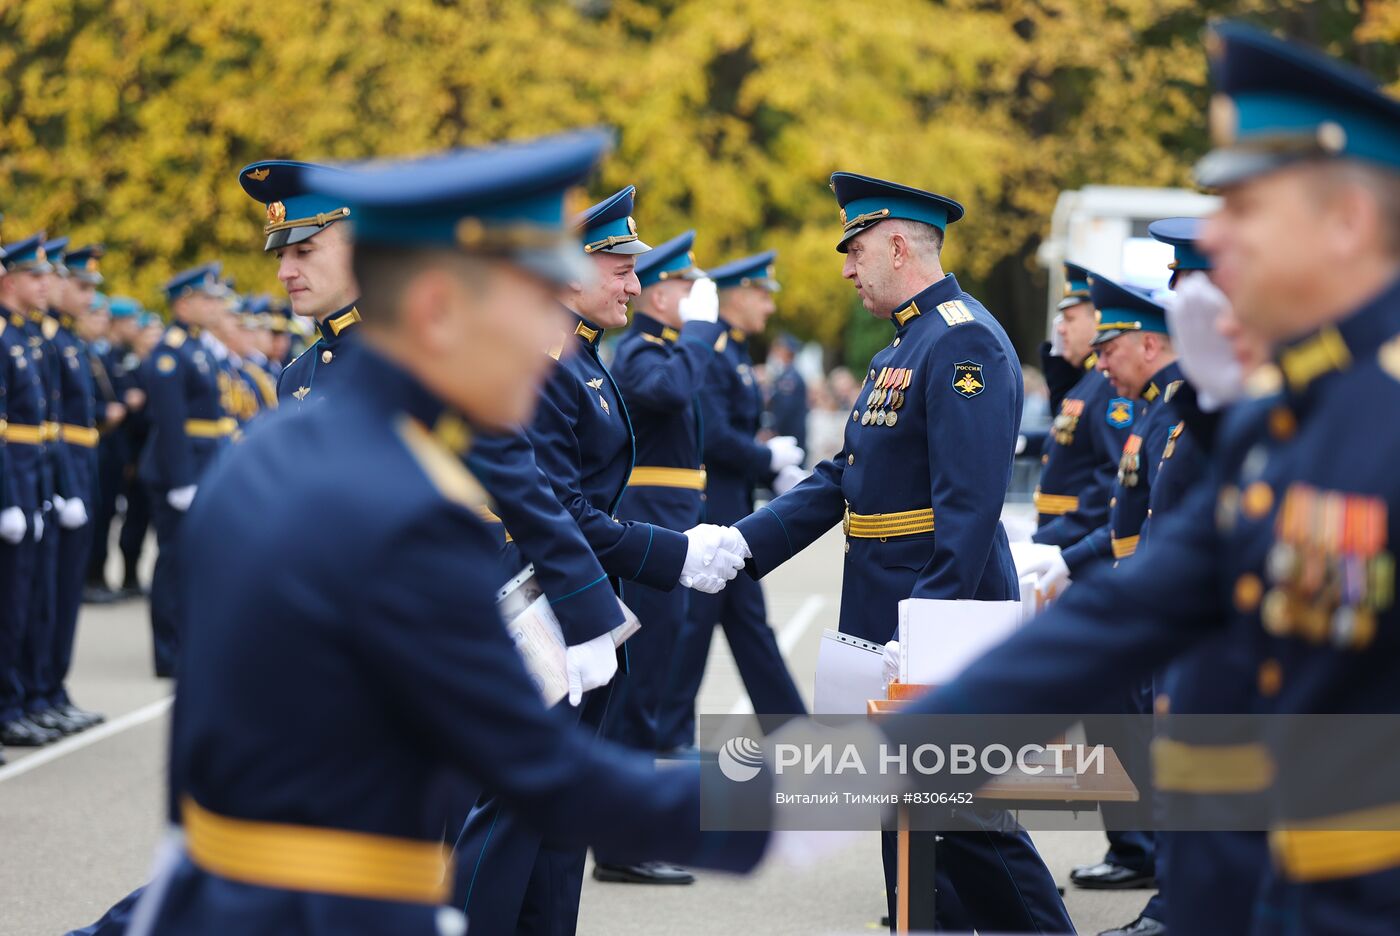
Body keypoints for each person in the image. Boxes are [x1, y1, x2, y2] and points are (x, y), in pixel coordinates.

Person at [132, 128, 773, 936]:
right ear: (440, 309)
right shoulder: (407, 517)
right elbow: (547, 772)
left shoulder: (263, 459)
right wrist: (830, 783)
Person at [881, 21, 1400, 933]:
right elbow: (1140, 607)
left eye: (1244, 210)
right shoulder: (1283, 409)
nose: (1218, 242)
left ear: (1346, 221)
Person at [725, 173, 1072, 932]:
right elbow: (845, 477)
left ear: (892, 244)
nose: (847, 268)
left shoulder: (961, 338)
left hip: (937, 620)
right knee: (912, 832)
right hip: (889, 613)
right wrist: (738, 545)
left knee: (969, 827)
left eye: (853, 251)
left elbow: (971, 506)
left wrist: (927, 632)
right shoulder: (909, 343)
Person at [454, 186, 747, 933]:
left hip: (571, 603)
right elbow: (562, 512)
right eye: (619, 267)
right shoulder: (545, 362)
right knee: (514, 818)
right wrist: (673, 555)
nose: (635, 284)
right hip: (536, 604)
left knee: (557, 824)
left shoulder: (577, 354)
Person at [594, 229, 727, 885]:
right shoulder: (642, 351)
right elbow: (670, 394)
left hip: (668, 526)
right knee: (638, 691)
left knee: (648, 686)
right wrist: (701, 334)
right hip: (646, 531)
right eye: (682, 287)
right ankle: (623, 842)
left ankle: (629, 833)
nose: (678, 295)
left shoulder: (660, 349)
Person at [656, 250, 809, 757]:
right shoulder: (715, 348)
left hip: (733, 507)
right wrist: (765, 458)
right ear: (739, 294)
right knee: (694, 628)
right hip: (709, 510)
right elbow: (714, 437)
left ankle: (795, 736)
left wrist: (768, 461)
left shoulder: (736, 349)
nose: (768, 307)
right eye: (762, 295)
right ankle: (669, 733)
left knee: (747, 629)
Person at [139, 262, 233, 677]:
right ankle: (168, 652)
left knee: (194, 561)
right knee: (174, 562)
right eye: (207, 298)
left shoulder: (197, 347)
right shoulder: (169, 353)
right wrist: (182, 480)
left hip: (203, 466)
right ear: (184, 302)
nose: (215, 306)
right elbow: (171, 422)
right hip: (179, 472)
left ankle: (188, 643)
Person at [34, 242, 105, 732]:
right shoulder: (45, 340)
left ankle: (49, 689)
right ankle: (28, 695)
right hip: (47, 475)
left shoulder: (67, 341)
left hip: (74, 470)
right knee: (35, 598)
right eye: (77, 285)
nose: (83, 296)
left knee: (57, 595)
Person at [0, 234, 63, 747]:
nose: (47, 285)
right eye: (35, 276)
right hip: (13, 482)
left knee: (29, 602)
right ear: (10, 279)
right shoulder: (6, 336)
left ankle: (22, 700)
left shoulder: (25, 336)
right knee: (12, 603)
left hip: (30, 479)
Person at [1029, 261, 1137, 552]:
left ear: (1097, 321)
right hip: (1064, 533)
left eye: (1070, 319)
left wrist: (1054, 537)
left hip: (1079, 541)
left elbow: (1111, 478)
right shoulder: (1087, 382)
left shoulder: (1109, 386)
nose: (1061, 330)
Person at [237, 160, 359, 407]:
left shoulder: (413, 358)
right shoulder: (294, 377)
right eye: (281, 256)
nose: (284, 273)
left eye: (304, 251)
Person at [766, 333, 808, 452]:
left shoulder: (790, 378)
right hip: (789, 435)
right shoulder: (785, 375)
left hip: (790, 435)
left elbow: (784, 409)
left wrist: (773, 430)